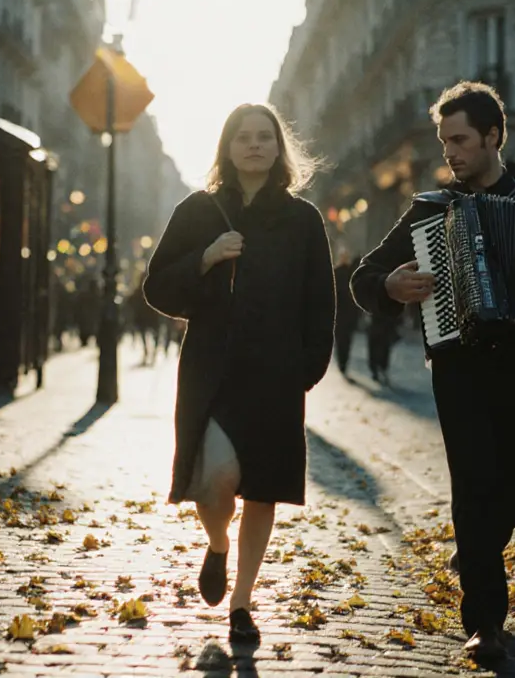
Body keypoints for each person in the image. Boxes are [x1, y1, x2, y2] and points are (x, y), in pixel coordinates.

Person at [350, 81, 515, 662]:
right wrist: (391, 286)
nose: (450, 151)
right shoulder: (429, 210)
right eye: (445, 140)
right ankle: (485, 622)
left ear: (494, 137)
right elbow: (364, 276)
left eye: (461, 139)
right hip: (459, 367)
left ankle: (473, 552)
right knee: (473, 484)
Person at [142, 103, 335, 644]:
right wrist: (204, 259)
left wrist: (306, 370)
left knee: (263, 490)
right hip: (212, 370)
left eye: (264, 137)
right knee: (214, 480)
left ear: (279, 149)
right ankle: (218, 545)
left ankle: (243, 604)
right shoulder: (198, 211)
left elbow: (321, 303)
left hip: (276, 376)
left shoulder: (303, 220)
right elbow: (156, 288)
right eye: (243, 137)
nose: (254, 145)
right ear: (227, 148)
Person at [333, 251, 361, 379]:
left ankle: (342, 362)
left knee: (341, 339)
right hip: (348, 313)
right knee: (346, 339)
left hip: (339, 312)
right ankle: (343, 362)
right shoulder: (352, 273)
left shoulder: (336, 272)